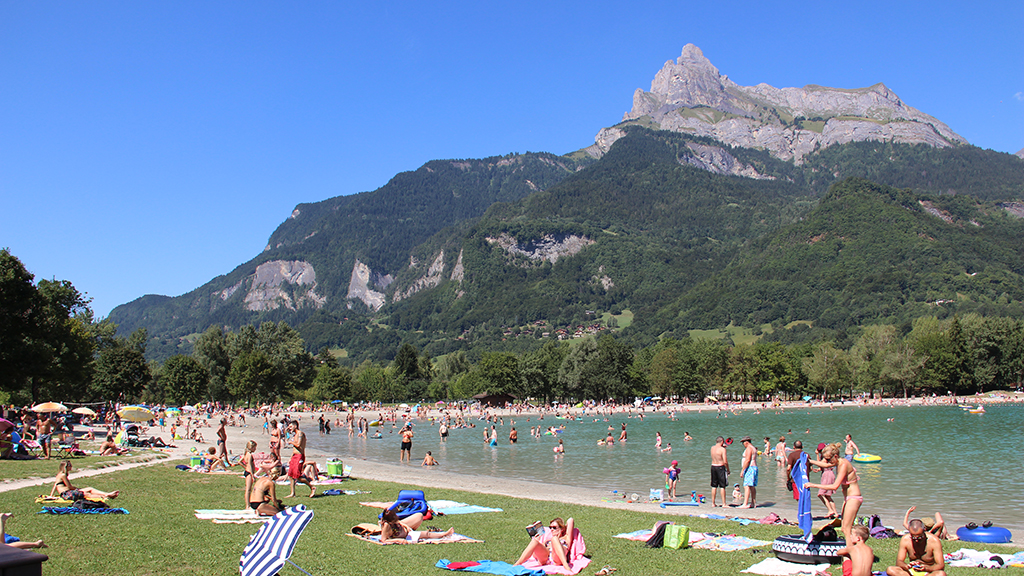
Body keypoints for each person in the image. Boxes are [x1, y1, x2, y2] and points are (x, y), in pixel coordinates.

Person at [805, 443, 862, 539]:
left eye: (828, 459)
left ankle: (851, 551)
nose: (827, 461)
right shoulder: (837, 462)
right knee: (845, 528)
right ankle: (853, 548)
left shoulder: (843, 464)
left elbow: (835, 486)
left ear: (835, 456)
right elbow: (825, 465)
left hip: (854, 498)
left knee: (846, 529)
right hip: (848, 498)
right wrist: (810, 461)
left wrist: (812, 485)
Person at [50, 460, 119, 501]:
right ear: (66, 467)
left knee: (90, 489)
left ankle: (107, 494)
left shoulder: (59, 474)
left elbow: (55, 485)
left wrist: (51, 495)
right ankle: (105, 496)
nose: (71, 467)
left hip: (66, 493)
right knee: (87, 494)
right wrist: (77, 489)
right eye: (70, 465)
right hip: (67, 494)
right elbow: (69, 487)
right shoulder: (63, 475)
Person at [378, 508, 453, 543]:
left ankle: (445, 534)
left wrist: (406, 526)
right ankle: (445, 534)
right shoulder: (387, 526)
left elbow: (399, 522)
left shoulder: (393, 522)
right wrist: (398, 540)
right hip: (406, 535)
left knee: (419, 516)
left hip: (407, 531)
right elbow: (383, 540)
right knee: (427, 534)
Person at [286, 420, 312, 497]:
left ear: (295, 426)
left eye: (291, 426)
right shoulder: (295, 435)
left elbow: (298, 445)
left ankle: (312, 487)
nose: (289, 428)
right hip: (294, 456)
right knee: (290, 475)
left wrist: (291, 442)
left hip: (299, 456)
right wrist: (291, 458)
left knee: (298, 476)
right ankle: (292, 493)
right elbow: (295, 448)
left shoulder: (300, 434)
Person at [817, 442, 838, 519]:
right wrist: (818, 470)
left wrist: (816, 455)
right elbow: (822, 467)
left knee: (820, 494)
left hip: (827, 476)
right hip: (830, 474)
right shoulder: (829, 457)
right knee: (827, 495)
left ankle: (830, 510)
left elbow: (819, 464)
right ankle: (835, 513)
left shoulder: (825, 458)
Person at [710, 436, 730, 507]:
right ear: (722, 442)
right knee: (722, 486)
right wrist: (728, 469)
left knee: (714, 486)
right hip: (720, 467)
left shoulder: (712, 448)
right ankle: (724, 503)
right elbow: (725, 461)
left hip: (713, 466)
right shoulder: (722, 449)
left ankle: (713, 503)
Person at [740, 436, 757, 508]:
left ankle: (745, 503)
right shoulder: (753, 448)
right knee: (752, 486)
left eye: (743, 443)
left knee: (746, 485)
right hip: (753, 467)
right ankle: (753, 503)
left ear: (746, 442)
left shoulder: (749, 448)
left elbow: (748, 460)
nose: (743, 444)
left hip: (750, 468)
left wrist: (742, 470)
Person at [240, 440, 257, 509]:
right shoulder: (249, 455)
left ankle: (248, 504)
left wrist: (245, 467)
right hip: (249, 473)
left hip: (247, 471)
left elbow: (240, 462)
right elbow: (249, 465)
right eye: (254, 448)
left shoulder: (246, 454)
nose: (255, 449)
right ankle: (247, 505)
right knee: (248, 489)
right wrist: (252, 475)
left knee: (248, 489)